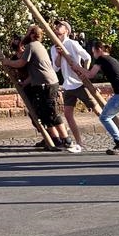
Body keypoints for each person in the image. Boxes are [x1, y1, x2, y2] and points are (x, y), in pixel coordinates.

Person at [2, 26, 75, 153]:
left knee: (51, 112)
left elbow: (21, 63)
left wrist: (6, 62)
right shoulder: (37, 46)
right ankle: (56, 140)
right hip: (44, 83)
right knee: (44, 113)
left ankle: (66, 139)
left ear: (31, 34)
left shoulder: (32, 46)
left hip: (46, 84)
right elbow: (34, 68)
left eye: (27, 32)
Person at [50, 21, 90, 151]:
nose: (57, 27)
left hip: (79, 84)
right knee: (68, 114)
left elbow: (87, 57)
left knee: (97, 109)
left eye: (60, 26)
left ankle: (117, 136)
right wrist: (60, 55)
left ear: (66, 30)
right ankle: (79, 142)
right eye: (56, 26)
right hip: (68, 85)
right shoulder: (54, 47)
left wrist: (85, 73)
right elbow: (55, 67)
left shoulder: (72, 43)